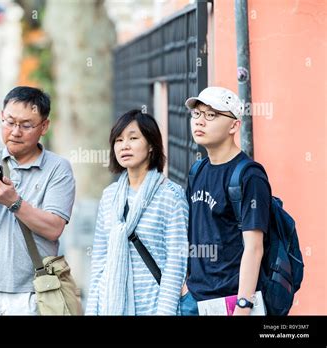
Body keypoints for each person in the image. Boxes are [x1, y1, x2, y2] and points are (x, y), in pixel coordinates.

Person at [0, 86, 76, 315]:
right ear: (1, 117)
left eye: (26, 125)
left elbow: (54, 228)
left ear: (44, 127)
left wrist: (14, 202)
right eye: (9, 122)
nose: (15, 132)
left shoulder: (58, 169)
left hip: (30, 293)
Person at [85, 109, 189, 315]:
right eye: (118, 140)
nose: (124, 145)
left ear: (151, 145)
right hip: (110, 305)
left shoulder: (170, 195)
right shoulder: (109, 196)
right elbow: (99, 261)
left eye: (133, 138)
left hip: (153, 306)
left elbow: (176, 265)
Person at [179, 86, 270, 316]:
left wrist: (243, 305)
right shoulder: (197, 170)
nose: (200, 121)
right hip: (193, 299)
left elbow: (254, 247)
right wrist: (185, 287)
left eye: (211, 115)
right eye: (196, 114)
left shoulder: (249, 175)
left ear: (234, 125)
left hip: (229, 303)